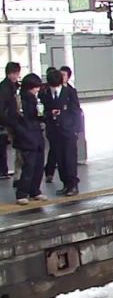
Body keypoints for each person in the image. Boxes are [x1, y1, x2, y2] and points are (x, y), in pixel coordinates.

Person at [40, 68, 82, 196]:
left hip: (68, 130)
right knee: (59, 158)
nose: (54, 89)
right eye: (52, 87)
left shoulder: (70, 92)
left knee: (69, 158)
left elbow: (76, 111)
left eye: (56, 87)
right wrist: (49, 113)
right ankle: (65, 184)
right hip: (54, 131)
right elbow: (42, 111)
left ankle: (73, 185)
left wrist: (76, 129)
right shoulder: (45, 93)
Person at [12, 73, 47, 205]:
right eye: (35, 87)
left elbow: (38, 116)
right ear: (29, 87)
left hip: (36, 136)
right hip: (26, 137)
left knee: (38, 166)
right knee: (28, 167)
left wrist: (41, 114)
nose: (37, 90)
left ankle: (35, 191)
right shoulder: (20, 100)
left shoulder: (35, 99)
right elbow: (17, 120)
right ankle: (22, 193)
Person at [0, 61, 21, 181]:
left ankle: (8, 172)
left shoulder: (16, 86)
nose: (15, 76)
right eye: (12, 73)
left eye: (16, 73)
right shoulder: (4, 88)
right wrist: (7, 121)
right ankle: (5, 171)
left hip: (13, 120)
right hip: (8, 122)